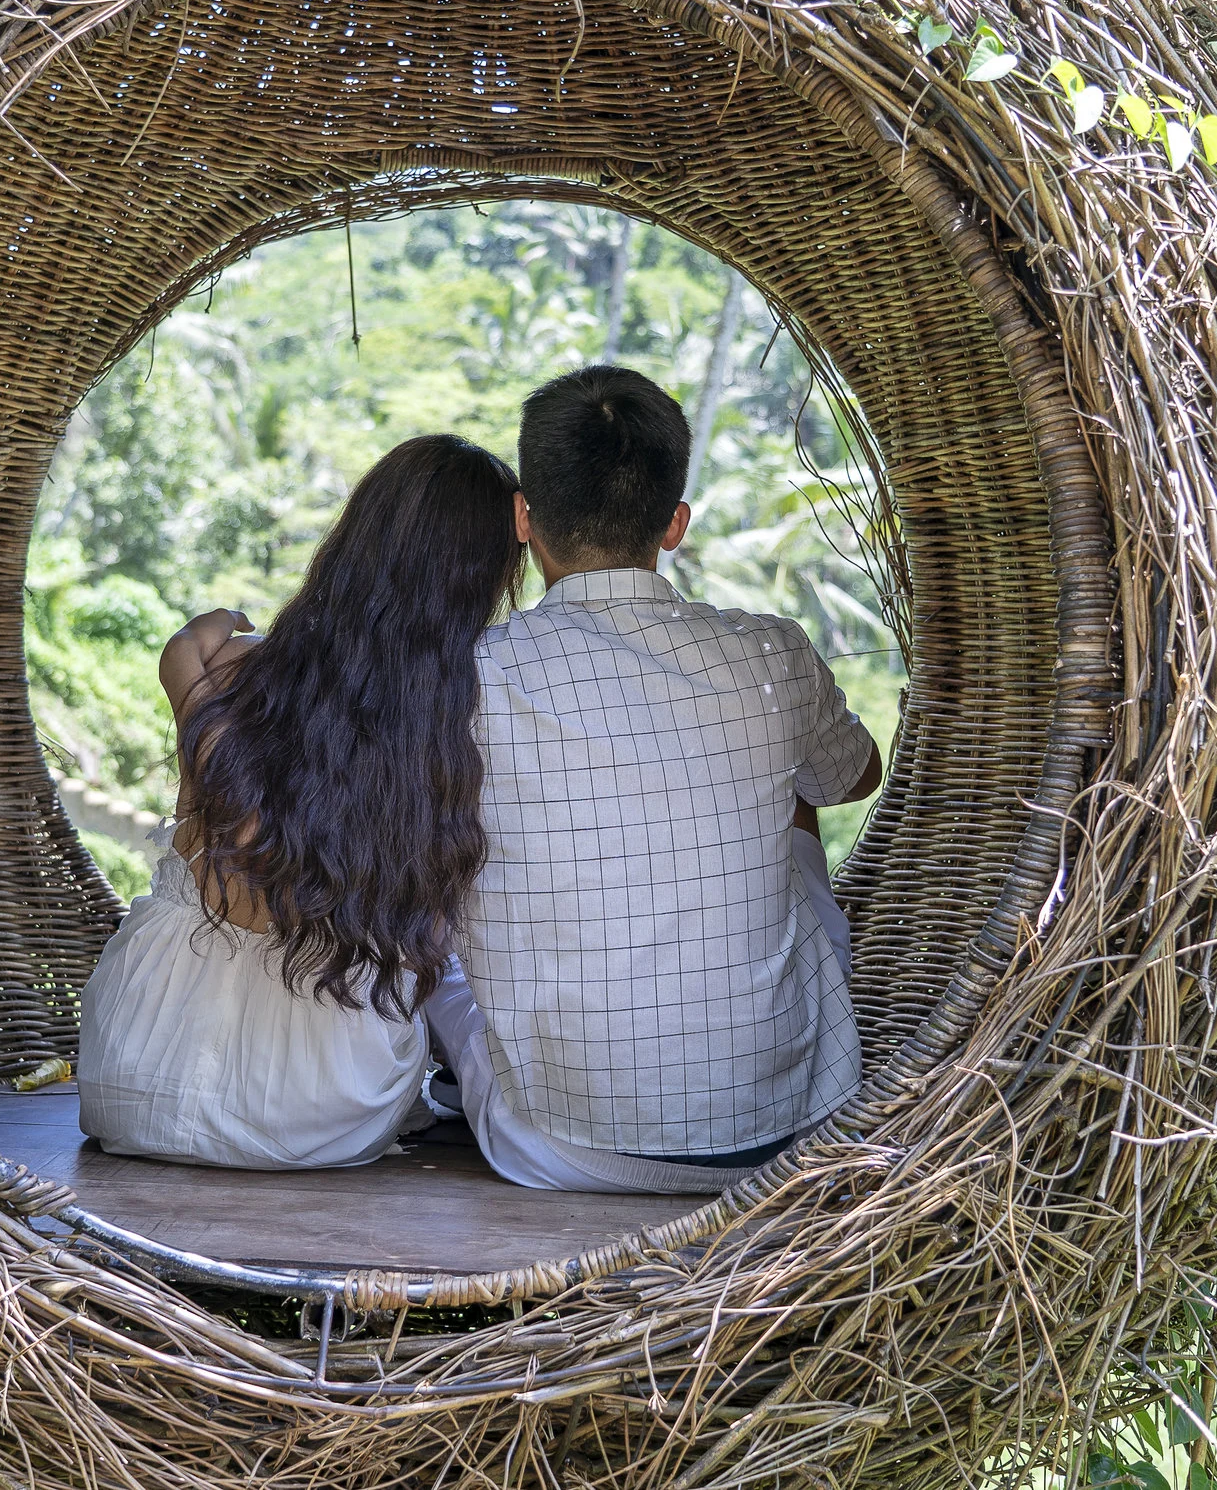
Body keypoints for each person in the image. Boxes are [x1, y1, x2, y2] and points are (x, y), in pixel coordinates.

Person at [425, 365, 883, 1193]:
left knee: (440, 928)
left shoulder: (465, 676)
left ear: (524, 518)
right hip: (782, 1130)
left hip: (555, 1145)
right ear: (674, 525)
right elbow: (856, 776)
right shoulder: (773, 652)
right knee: (791, 805)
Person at [76, 435, 526, 1170]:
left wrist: (193, 667)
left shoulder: (225, 669)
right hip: (320, 1109)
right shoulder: (467, 716)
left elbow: (230, 875)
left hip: (130, 1075)